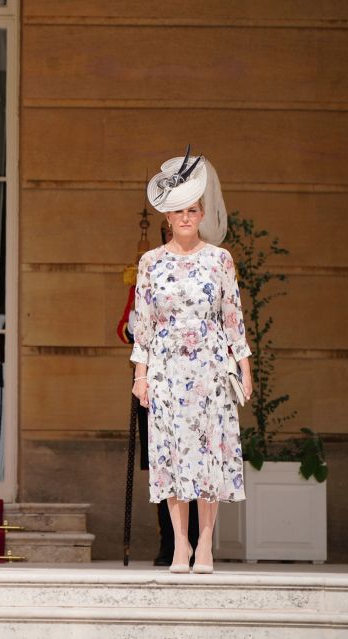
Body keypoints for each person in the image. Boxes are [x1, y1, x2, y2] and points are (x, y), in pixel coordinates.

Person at [130, 148, 252, 574]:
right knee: (172, 457)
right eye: (178, 210)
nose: (186, 217)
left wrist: (244, 369)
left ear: (202, 214)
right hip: (166, 370)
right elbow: (142, 325)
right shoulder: (150, 263)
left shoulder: (220, 260)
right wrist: (140, 376)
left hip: (211, 369)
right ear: (167, 216)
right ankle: (179, 545)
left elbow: (233, 318)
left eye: (193, 209)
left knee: (209, 457)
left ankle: (205, 545)